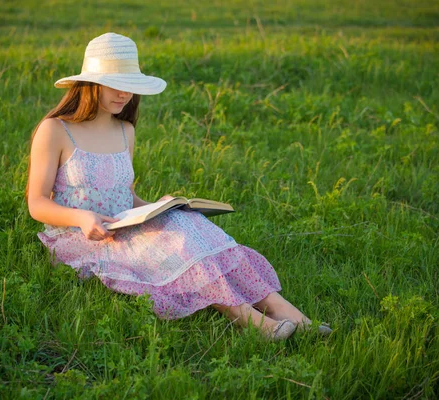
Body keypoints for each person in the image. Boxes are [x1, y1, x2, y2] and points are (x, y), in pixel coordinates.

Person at [26, 32, 331, 340]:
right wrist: (81, 217)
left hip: (122, 226)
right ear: (92, 84)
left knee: (188, 222)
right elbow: (37, 203)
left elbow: (123, 196)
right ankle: (251, 321)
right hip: (81, 236)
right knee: (180, 245)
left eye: (130, 87)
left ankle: (287, 312)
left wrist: (156, 207)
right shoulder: (55, 130)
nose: (124, 95)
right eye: (116, 85)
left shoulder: (125, 130)